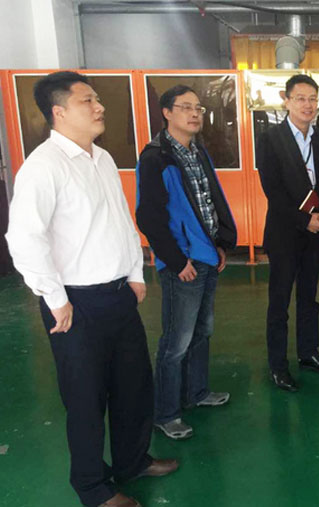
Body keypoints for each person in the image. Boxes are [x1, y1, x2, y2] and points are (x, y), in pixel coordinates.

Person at [6, 71, 177, 507]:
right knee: (85, 400)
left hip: (118, 294)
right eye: (87, 101)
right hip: (75, 303)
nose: (99, 107)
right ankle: (93, 488)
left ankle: (132, 462)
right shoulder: (43, 167)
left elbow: (119, 219)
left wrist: (134, 272)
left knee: (133, 387)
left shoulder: (101, 158)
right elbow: (24, 238)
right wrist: (55, 298)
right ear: (59, 112)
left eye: (97, 99)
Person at [136, 85, 238, 440]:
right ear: (167, 112)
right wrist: (177, 261)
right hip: (183, 262)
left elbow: (209, 203)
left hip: (206, 254)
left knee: (202, 331)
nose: (195, 114)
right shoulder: (156, 158)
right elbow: (149, 217)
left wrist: (220, 243)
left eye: (199, 108)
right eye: (185, 107)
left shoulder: (197, 151)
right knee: (176, 341)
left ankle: (197, 392)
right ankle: (166, 413)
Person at [256, 74, 319, 392]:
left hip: (315, 232)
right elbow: (272, 189)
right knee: (279, 301)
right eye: (301, 98)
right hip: (284, 232)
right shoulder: (270, 138)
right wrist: (303, 220)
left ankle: (308, 353)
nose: (308, 105)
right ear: (287, 100)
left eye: (313, 99)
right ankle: (278, 365)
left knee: (309, 297)